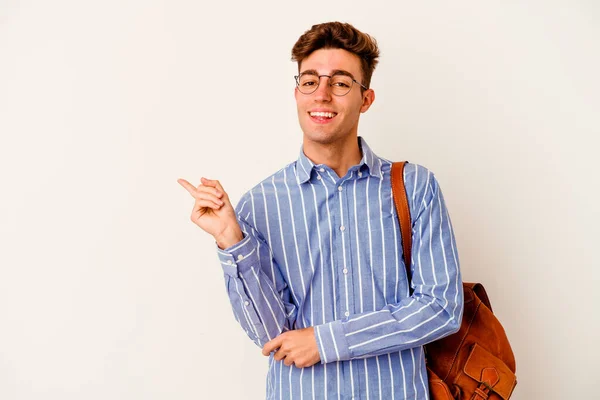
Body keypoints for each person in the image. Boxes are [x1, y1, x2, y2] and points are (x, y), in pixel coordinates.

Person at [178, 21, 463, 400]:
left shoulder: (414, 187)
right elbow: (270, 335)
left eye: (341, 82)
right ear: (296, 92)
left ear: (366, 99)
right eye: (310, 81)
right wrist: (231, 239)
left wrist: (327, 341)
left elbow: (441, 308)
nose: (322, 95)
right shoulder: (260, 203)